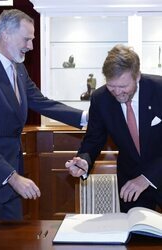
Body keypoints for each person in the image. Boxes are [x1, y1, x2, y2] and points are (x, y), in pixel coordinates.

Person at [0, 9, 88, 227]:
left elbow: (40, 102)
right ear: (6, 34)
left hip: (10, 182)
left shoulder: (18, 68)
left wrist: (84, 117)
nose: (31, 46)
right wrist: (13, 178)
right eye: (27, 39)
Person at [66, 44, 162, 213]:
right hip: (131, 185)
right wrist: (84, 161)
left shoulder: (159, 90)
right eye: (112, 86)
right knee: (136, 236)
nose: (117, 92)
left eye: (123, 86)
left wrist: (147, 177)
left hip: (157, 170)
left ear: (137, 76)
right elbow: (93, 139)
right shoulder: (100, 99)